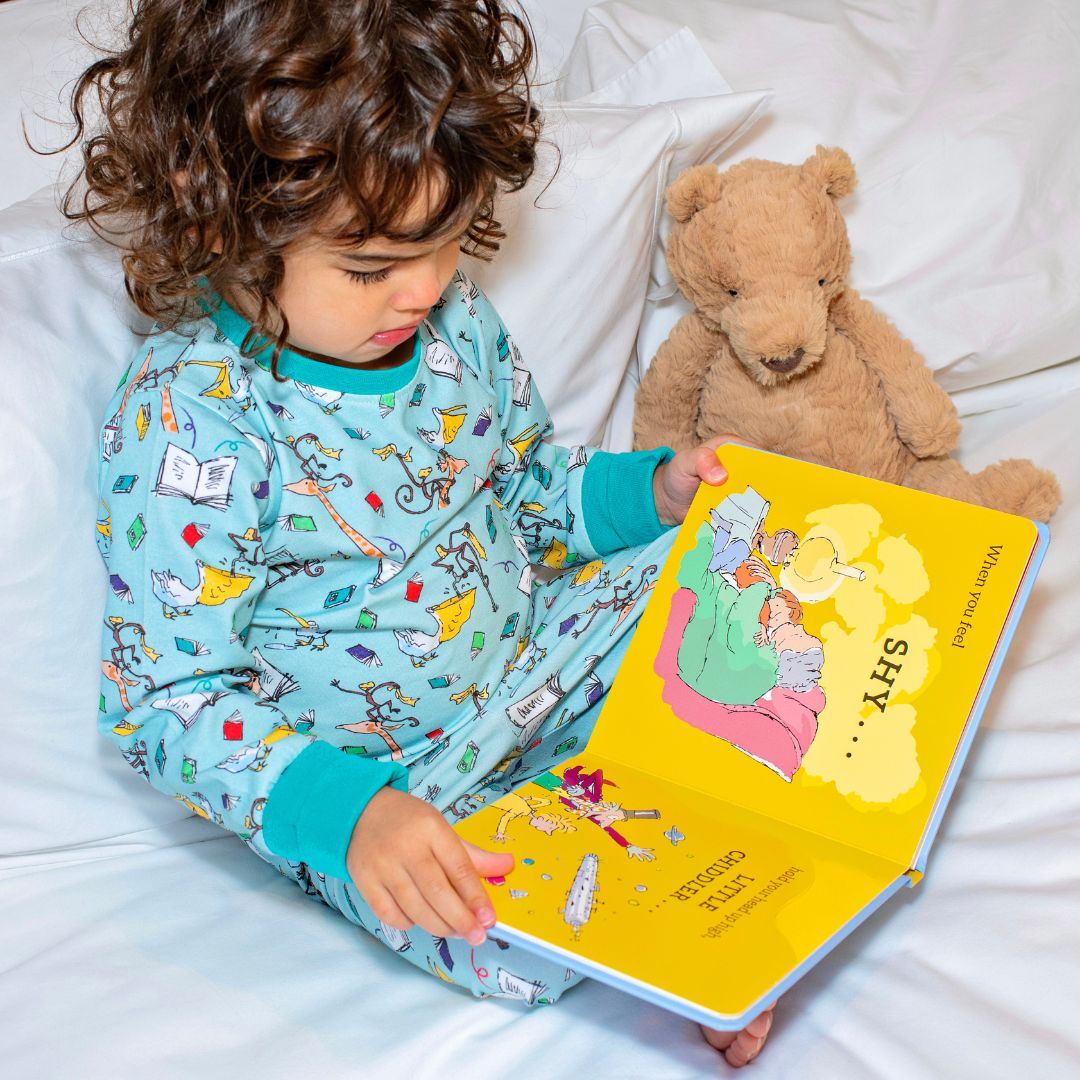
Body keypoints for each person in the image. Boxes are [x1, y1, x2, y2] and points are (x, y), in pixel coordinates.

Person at [68, 0, 773, 1066]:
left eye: (446, 242)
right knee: (496, 936)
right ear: (221, 226)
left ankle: (762, 830)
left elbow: (533, 491)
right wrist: (348, 817)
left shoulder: (452, 324)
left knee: (737, 568)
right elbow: (165, 701)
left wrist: (657, 495)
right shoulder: (189, 421)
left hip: (543, 660)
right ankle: (693, 941)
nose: (426, 286)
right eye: (372, 267)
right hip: (402, 789)